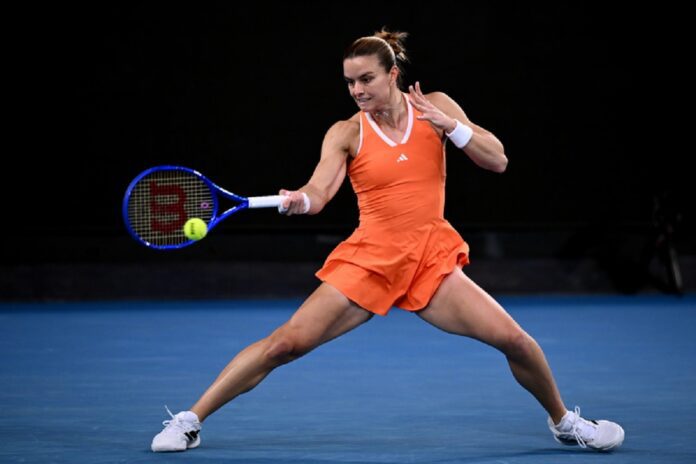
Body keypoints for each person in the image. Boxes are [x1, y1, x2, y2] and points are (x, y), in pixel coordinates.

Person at [151, 29, 624, 453]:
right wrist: (299, 200)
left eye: (366, 79)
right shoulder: (345, 132)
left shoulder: (435, 106)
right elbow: (318, 193)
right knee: (283, 345)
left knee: (516, 341)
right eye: (349, 83)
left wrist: (450, 125)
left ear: (393, 74)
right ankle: (190, 420)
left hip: (430, 261)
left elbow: (497, 159)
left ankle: (564, 423)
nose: (357, 90)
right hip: (371, 262)